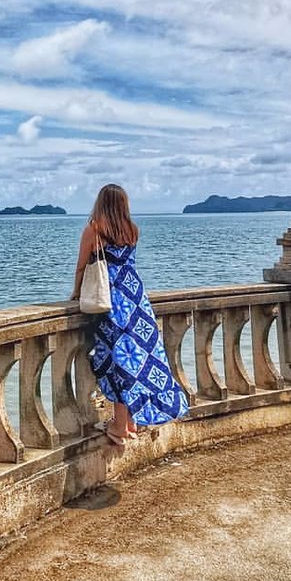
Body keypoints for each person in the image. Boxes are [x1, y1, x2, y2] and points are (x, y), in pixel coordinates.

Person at [71, 183, 189, 445]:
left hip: (112, 303)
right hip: (136, 301)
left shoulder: (95, 228)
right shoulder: (132, 230)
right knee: (138, 362)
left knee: (115, 364)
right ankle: (130, 422)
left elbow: (81, 267)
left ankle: (119, 427)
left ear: (101, 202)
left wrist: (76, 293)